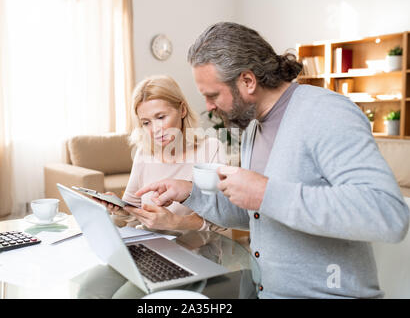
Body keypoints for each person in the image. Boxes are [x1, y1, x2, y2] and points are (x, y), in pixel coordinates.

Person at [135, 22, 410, 298]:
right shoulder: (255, 126)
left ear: (247, 81)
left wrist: (266, 192)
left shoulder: (327, 113)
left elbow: (388, 214)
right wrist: (190, 191)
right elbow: (257, 212)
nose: (208, 107)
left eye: (213, 95)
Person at [95, 74, 227, 233]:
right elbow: (133, 207)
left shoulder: (211, 149)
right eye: (146, 122)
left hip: (198, 250)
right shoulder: (144, 153)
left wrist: (176, 222)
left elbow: (223, 218)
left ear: (182, 110)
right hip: (153, 248)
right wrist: (120, 208)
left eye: (161, 117)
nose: (155, 129)